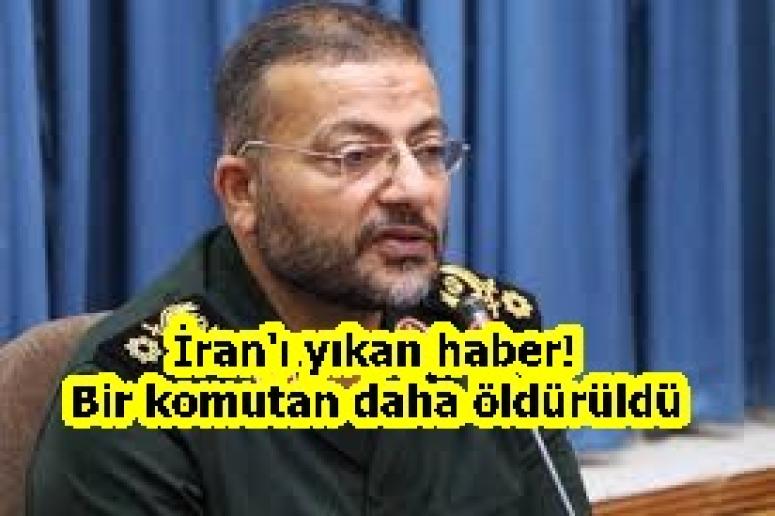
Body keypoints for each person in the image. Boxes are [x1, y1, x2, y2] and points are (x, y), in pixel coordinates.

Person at [27, 3, 590, 515]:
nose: (413, 189)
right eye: (355, 155)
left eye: (427, 150)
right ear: (243, 191)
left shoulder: (489, 328)